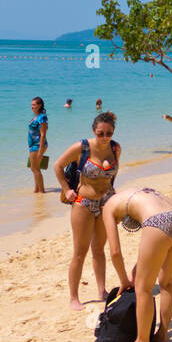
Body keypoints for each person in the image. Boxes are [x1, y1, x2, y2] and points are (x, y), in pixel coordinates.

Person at [101, 186, 172, 342]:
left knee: (142, 288)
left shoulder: (107, 207)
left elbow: (114, 252)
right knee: (166, 282)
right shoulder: (134, 193)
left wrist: (124, 281)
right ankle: (162, 335)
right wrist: (136, 270)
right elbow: (153, 253)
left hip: (160, 222)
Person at [55, 112, 122, 309]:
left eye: (108, 133)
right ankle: (74, 297)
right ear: (94, 131)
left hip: (105, 204)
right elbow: (58, 165)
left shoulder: (115, 148)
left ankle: (101, 291)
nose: (104, 138)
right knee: (80, 252)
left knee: (99, 250)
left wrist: (113, 195)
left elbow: (112, 176)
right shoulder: (81, 147)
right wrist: (67, 189)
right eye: (101, 133)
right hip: (83, 203)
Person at [28, 97, 50, 193]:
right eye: (31, 105)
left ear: (39, 105)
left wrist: (41, 150)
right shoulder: (36, 117)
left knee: (35, 168)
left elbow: (43, 134)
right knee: (35, 168)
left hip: (38, 146)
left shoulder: (42, 117)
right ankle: (36, 190)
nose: (32, 106)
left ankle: (42, 191)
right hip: (33, 145)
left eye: (34, 104)